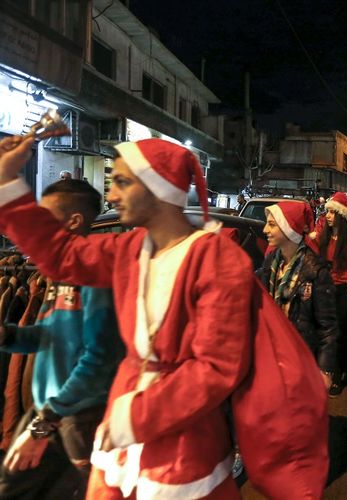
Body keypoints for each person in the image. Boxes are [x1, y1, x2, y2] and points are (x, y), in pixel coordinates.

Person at [0, 136, 254, 498]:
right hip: (119, 432)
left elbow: (216, 368)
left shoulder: (217, 260)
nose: (112, 196)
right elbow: (60, 255)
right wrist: (7, 181)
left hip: (180, 443)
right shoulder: (131, 249)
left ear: (157, 187)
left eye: (122, 182)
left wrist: (132, 418)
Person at [0, 180, 122, 499]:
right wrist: (10, 335)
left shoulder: (95, 274)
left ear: (74, 222)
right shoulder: (60, 273)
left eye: (45, 215)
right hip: (51, 411)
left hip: (78, 418)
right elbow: (52, 336)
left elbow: (99, 359)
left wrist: (46, 423)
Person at [258, 201, 337, 389]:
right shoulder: (270, 262)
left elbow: (328, 326)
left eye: (272, 224)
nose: (264, 230)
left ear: (288, 229)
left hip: (300, 355)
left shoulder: (315, 270)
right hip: (270, 352)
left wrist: (324, 369)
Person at [315, 191, 347, 397]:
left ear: (342, 215)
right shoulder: (322, 236)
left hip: (344, 289)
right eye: (327, 212)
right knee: (324, 331)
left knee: (339, 332)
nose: (328, 216)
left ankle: (337, 373)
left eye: (333, 212)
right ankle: (322, 370)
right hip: (325, 287)